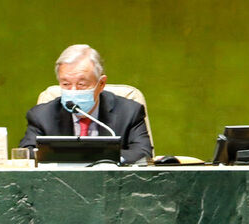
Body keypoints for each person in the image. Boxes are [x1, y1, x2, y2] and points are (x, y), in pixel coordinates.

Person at [19, 44, 153, 164]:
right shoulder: (42, 116)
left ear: (101, 84)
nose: (73, 91)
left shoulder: (129, 112)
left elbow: (143, 153)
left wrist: (91, 158)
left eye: (81, 84)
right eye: (66, 84)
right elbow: (26, 154)